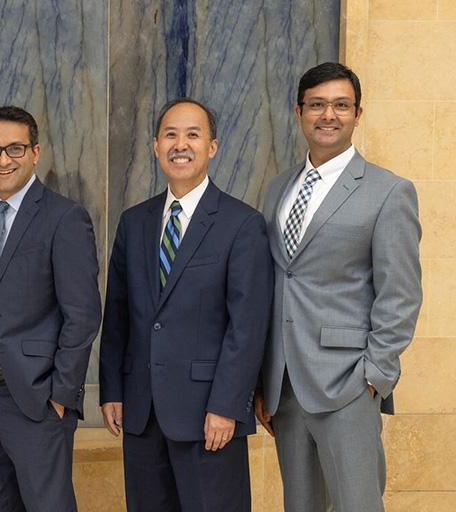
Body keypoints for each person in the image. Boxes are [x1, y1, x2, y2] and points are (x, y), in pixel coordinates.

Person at [254, 62, 422, 512]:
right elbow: (276, 282)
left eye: (341, 105)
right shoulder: (277, 189)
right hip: (285, 388)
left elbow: (400, 294)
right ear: (299, 112)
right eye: (317, 105)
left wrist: (375, 375)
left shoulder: (389, 192)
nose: (329, 115)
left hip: (349, 383)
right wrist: (263, 379)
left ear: (357, 113)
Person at [99, 98, 273, 511]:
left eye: (193, 135)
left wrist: (226, 406)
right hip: (142, 412)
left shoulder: (241, 224)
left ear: (211, 147)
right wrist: (112, 389)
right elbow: (118, 315)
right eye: (171, 135)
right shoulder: (134, 222)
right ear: (156, 145)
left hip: (208, 416)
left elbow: (246, 328)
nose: (181, 144)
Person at [0, 105, 101, 511]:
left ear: (35, 152)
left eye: (14, 148)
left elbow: (82, 316)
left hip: (37, 399)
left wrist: (60, 396)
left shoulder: (64, 218)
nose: (3, 159)